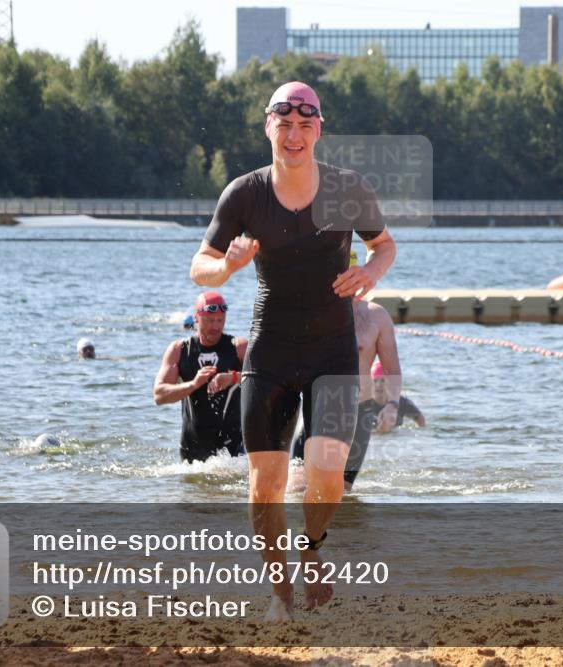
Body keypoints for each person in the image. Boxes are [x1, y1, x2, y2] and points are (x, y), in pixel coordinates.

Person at [189, 81, 396, 620]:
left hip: (333, 352)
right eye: (284, 124)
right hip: (271, 352)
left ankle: (311, 550)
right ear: (269, 127)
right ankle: (280, 592)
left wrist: (371, 272)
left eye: (305, 125)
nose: (294, 134)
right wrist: (227, 266)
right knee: (265, 486)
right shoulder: (245, 194)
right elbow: (199, 267)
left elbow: (383, 244)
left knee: (328, 478)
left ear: (319, 130)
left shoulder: (347, 188)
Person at [291, 298, 406, 491]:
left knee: (341, 492)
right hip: (316, 409)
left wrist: (392, 404)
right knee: (296, 486)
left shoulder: (376, 316)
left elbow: (392, 368)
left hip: (359, 412)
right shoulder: (312, 310)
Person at [153, 291, 246, 462]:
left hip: (234, 451)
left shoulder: (238, 347)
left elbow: (263, 379)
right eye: (210, 320)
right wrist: (193, 384)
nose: (216, 326)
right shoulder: (179, 350)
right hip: (192, 450)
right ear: (196, 318)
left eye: (220, 320)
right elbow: (159, 395)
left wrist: (233, 378)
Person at [370, 360, 425, 429]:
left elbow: (421, 420)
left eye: (383, 380)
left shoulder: (401, 402)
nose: (379, 385)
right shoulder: (365, 404)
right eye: (375, 381)